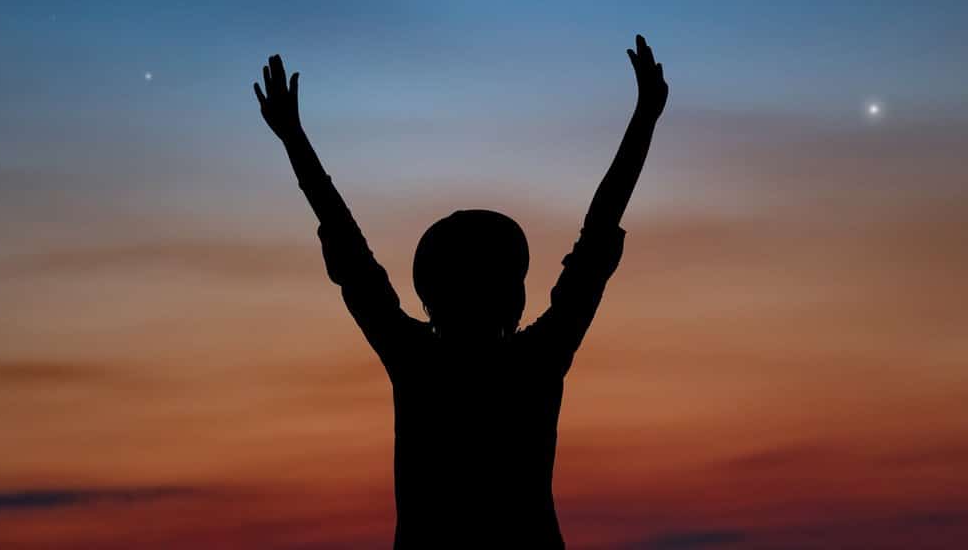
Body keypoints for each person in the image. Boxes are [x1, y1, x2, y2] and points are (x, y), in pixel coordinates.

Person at [254, 35, 668, 549]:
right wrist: (645, 121)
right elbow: (597, 236)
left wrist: (294, 140)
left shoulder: (417, 359)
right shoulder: (535, 359)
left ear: (430, 292)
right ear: (512, 293)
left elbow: (350, 253)